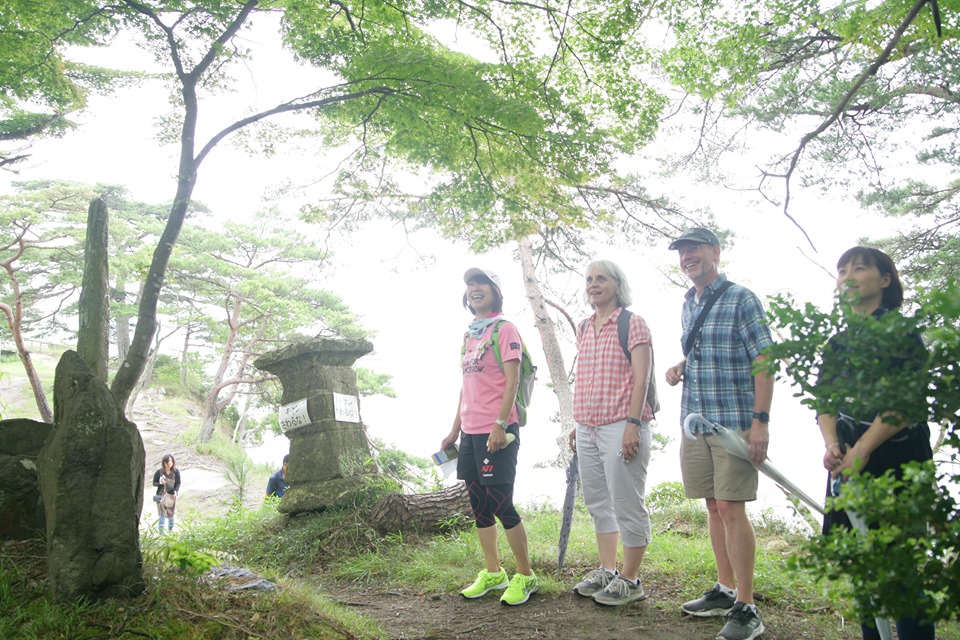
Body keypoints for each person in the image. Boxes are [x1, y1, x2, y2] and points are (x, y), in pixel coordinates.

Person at [816, 246, 935, 640]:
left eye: (859, 268)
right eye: (842, 269)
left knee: (899, 568)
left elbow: (904, 404)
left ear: (885, 281)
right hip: (848, 461)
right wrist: (834, 445)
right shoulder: (837, 342)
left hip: (897, 458)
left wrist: (862, 450)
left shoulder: (901, 332)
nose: (848, 275)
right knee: (862, 565)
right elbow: (824, 403)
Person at [664, 228, 774, 640]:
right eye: (682, 251)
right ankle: (725, 590)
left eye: (695, 249)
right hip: (695, 421)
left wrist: (760, 422)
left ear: (716, 251)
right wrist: (680, 367)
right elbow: (704, 351)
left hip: (734, 422)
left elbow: (763, 359)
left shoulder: (741, 298)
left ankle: (747, 606)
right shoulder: (689, 302)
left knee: (731, 507)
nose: (687, 256)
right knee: (712, 505)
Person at [440, 267, 538, 606]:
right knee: (478, 504)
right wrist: (454, 429)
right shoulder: (469, 335)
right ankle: (494, 573)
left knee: (500, 502)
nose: (474, 289)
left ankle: (526, 576)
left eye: (482, 283)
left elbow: (511, 382)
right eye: (470, 284)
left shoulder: (505, 329)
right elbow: (465, 388)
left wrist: (500, 423)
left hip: (499, 431)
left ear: (496, 291)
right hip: (469, 432)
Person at [568, 259, 654, 606]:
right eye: (589, 279)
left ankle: (632, 580)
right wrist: (578, 424)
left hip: (622, 424)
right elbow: (586, 377)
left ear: (617, 285)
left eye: (601, 278)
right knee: (599, 503)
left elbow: (642, 377)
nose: (593, 284)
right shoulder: (583, 327)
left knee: (627, 502)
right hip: (587, 425)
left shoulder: (633, 324)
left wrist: (633, 425)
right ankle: (608, 569)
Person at [152, 453, 181, 533]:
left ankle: (170, 532)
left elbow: (178, 483)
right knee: (162, 515)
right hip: (161, 495)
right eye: (168, 461)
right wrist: (160, 483)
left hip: (172, 496)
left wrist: (176, 491)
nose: (170, 463)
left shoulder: (176, 472)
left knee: (171, 515)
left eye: (171, 461)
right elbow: (154, 483)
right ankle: (162, 534)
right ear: (164, 462)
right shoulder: (159, 472)